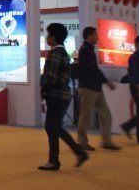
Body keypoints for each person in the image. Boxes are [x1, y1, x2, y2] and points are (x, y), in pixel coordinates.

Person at [39, 22, 88, 171]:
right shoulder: (64, 53)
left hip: (56, 95)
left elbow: (51, 77)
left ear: (54, 37)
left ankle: (57, 159)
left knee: (52, 127)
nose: (47, 37)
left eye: (48, 35)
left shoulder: (55, 54)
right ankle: (70, 155)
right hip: (64, 95)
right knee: (54, 127)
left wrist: (44, 89)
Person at [75, 27, 120, 151]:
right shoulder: (85, 50)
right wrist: (106, 81)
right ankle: (82, 142)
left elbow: (93, 69)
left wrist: (103, 81)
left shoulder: (88, 50)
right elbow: (93, 69)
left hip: (95, 87)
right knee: (86, 116)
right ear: (89, 36)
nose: (97, 37)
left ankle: (106, 141)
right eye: (95, 34)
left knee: (105, 114)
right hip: (88, 87)